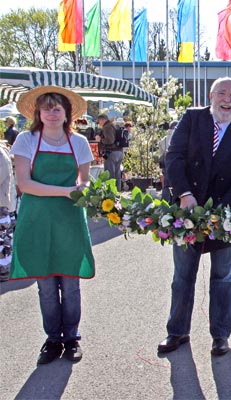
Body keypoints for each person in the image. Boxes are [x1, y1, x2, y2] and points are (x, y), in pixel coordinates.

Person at [158, 77, 231, 356]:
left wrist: (219, 214)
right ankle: (177, 332)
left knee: (224, 279)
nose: (227, 99)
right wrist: (184, 194)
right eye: (222, 93)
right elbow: (174, 157)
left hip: (224, 216)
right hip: (185, 210)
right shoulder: (191, 119)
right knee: (182, 277)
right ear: (211, 95)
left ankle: (221, 336)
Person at [8, 86, 95, 364]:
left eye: (58, 108)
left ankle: (71, 337)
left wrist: (82, 188)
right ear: (38, 112)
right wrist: (66, 192)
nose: (52, 113)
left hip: (69, 220)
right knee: (46, 286)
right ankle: (52, 340)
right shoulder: (26, 140)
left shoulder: (79, 142)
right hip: (37, 220)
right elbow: (24, 184)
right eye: (46, 107)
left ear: (67, 113)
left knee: (70, 284)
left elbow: (85, 179)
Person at [0, 141, 17, 282]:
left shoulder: (1, 153)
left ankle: (4, 271)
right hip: (4, 204)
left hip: (2, 205)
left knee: (3, 241)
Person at [95, 114, 124, 191]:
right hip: (119, 152)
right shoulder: (114, 125)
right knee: (117, 174)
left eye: (99, 122)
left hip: (111, 152)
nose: (99, 124)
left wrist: (100, 139)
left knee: (109, 174)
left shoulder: (107, 127)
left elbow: (110, 140)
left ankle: (111, 192)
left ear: (102, 120)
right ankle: (118, 192)